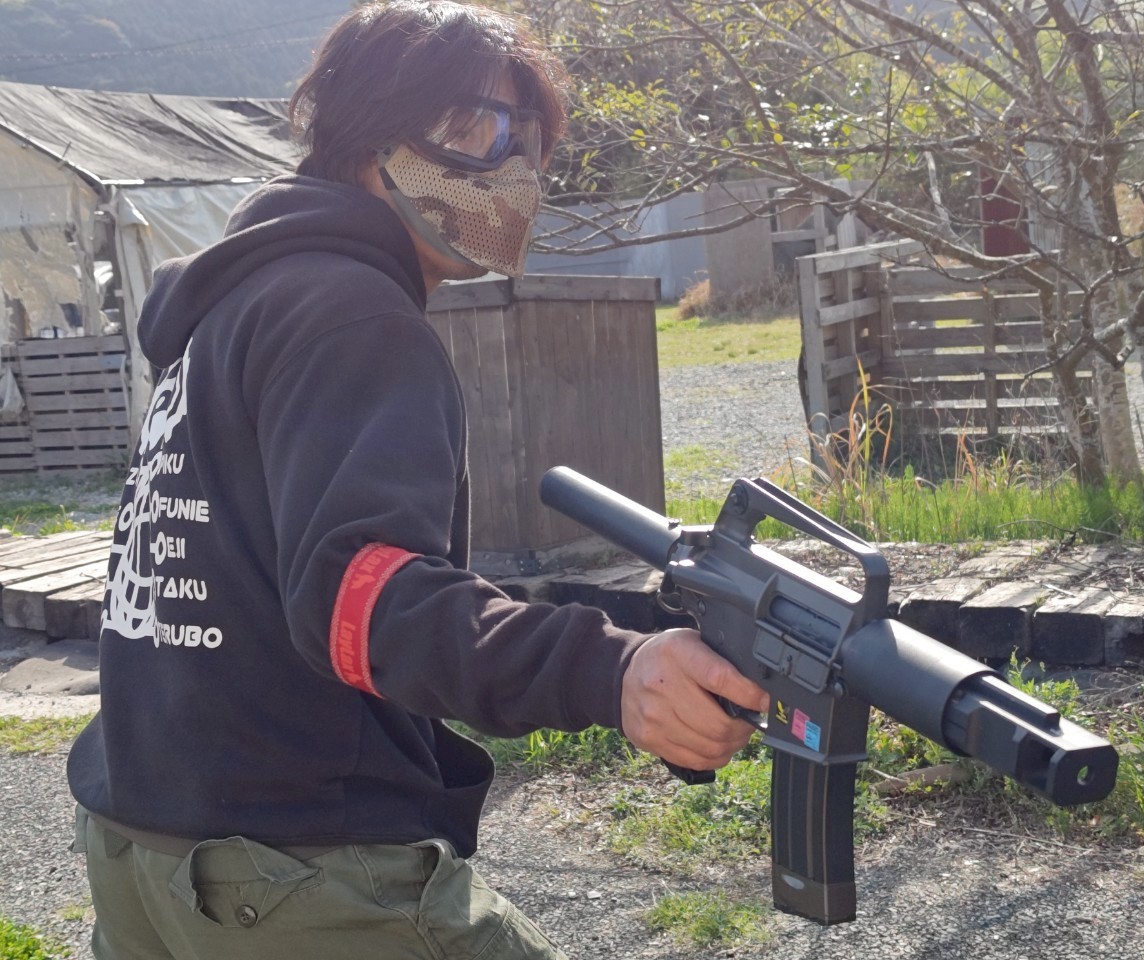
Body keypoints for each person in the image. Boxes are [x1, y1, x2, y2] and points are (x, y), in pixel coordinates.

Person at [65, 4, 769, 958]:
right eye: (476, 128)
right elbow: (356, 595)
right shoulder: (357, 315)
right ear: (369, 137)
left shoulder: (238, 308)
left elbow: (275, 577)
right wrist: (610, 671)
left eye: (529, 143)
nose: (512, 170)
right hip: (292, 868)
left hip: (142, 850)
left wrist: (626, 627)